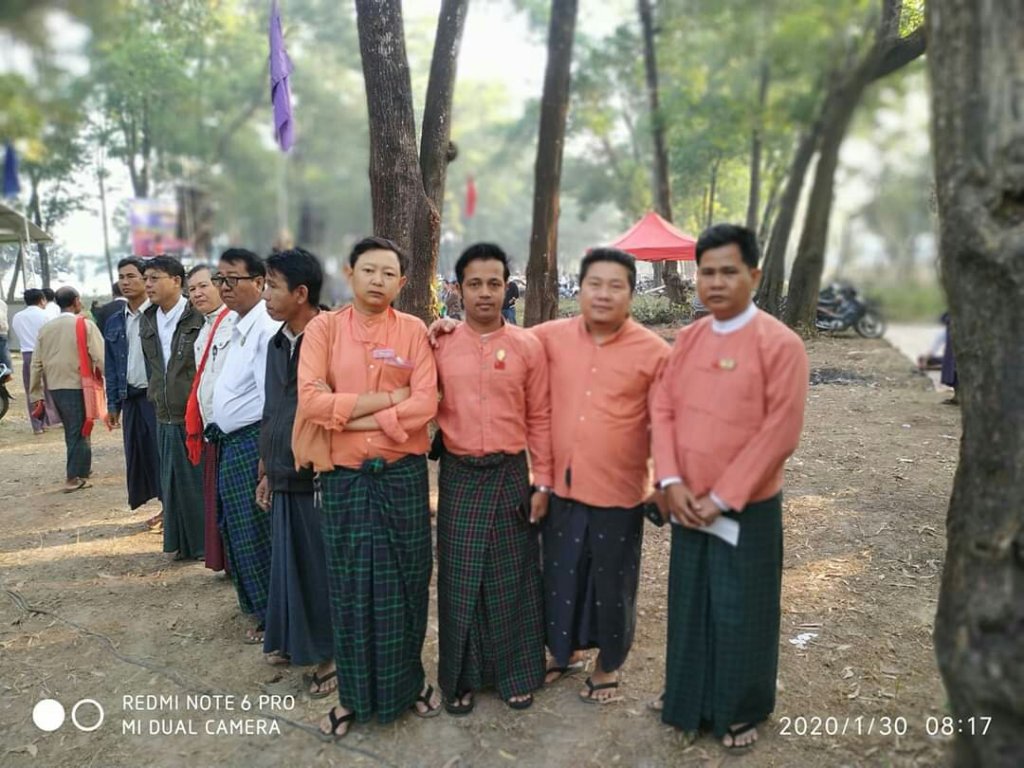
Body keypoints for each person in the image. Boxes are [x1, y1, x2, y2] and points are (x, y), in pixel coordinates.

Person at [429, 247, 671, 704]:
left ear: (630, 293)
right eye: (594, 284)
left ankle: (605, 666)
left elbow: (668, 421)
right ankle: (562, 654)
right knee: (558, 577)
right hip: (557, 484)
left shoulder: (654, 352)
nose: (603, 294)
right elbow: (488, 339)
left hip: (618, 488)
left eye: (615, 285)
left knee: (611, 582)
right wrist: (444, 326)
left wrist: (664, 481)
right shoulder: (546, 337)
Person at [651, 223, 808, 751]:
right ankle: (686, 699)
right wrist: (671, 480)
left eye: (728, 272)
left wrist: (721, 498)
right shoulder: (689, 339)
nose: (715, 283)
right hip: (686, 500)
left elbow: (779, 432)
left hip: (745, 506)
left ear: (754, 275)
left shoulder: (781, 345)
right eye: (707, 272)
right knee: (690, 602)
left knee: (743, 608)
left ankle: (740, 708)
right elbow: (663, 408)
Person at [294, 236, 441, 739]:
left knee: (409, 581)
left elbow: (425, 403)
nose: (378, 281)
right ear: (349, 273)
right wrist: (388, 401)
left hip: (402, 477)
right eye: (369, 270)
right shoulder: (324, 329)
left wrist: (350, 417)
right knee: (351, 587)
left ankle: (411, 683)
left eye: (389, 274)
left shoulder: (414, 331)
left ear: (403, 282)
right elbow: (311, 402)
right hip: (345, 480)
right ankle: (353, 696)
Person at [432, 243, 552, 715]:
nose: (485, 293)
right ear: (458, 289)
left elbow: (540, 418)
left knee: (513, 576)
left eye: (494, 283)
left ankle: (516, 674)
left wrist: (543, 483)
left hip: (510, 472)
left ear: (507, 288)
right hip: (459, 475)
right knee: (460, 577)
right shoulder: (438, 343)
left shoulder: (528, 346)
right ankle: (460, 676)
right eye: (475, 284)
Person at [256, 247, 336, 695]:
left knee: (320, 567)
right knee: (291, 563)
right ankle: (292, 640)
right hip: (283, 470)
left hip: (319, 474)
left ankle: (331, 656)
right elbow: (273, 409)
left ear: (301, 293)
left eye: (272, 287)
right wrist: (266, 469)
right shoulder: (278, 342)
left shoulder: (332, 339)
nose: (266, 295)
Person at [209, 249, 280, 644]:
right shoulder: (237, 325)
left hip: (254, 442)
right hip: (232, 443)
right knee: (237, 527)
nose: (224, 287)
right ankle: (256, 607)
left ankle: (272, 617)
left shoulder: (265, 329)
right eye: (220, 279)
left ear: (259, 282)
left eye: (232, 279)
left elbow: (272, 400)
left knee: (255, 532)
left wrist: (266, 459)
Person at [139, 256, 206, 561]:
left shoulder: (197, 316)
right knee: (172, 482)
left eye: (154, 278)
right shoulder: (148, 318)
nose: (147, 284)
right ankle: (179, 543)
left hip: (192, 413)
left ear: (177, 281)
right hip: (164, 413)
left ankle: (203, 545)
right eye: (146, 278)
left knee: (195, 483)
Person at [29, 287, 104, 493]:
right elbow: (100, 356)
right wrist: (112, 382)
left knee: (77, 428)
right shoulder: (84, 325)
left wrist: (36, 393)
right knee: (78, 430)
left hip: (55, 386)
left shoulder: (46, 328)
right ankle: (73, 477)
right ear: (76, 301)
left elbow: (36, 364)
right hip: (78, 384)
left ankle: (82, 469)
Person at [186, 263, 235, 573]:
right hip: (212, 429)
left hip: (231, 428)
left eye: (204, 286)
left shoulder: (235, 322)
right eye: (192, 289)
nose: (197, 294)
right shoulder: (204, 328)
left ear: (221, 285)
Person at [103, 258, 162, 516]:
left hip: (157, 398)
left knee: (162, 454)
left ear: (145, 279)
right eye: (121, 277)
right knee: (140, 455)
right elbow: (112, 366)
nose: (125, 282)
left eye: (131, 276)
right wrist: (113, 404)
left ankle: (170, 510)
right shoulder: (115, 321)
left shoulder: (159, 316)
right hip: (130, 398)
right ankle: (162, 506)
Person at [12, 288, 61, 433]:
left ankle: (37, 425)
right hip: (45, 353)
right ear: (41, 300)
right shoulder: (46, 316)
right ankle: (49, 420)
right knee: (49, 388)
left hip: (27, 354)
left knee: (32, 390)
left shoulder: (17, 317)